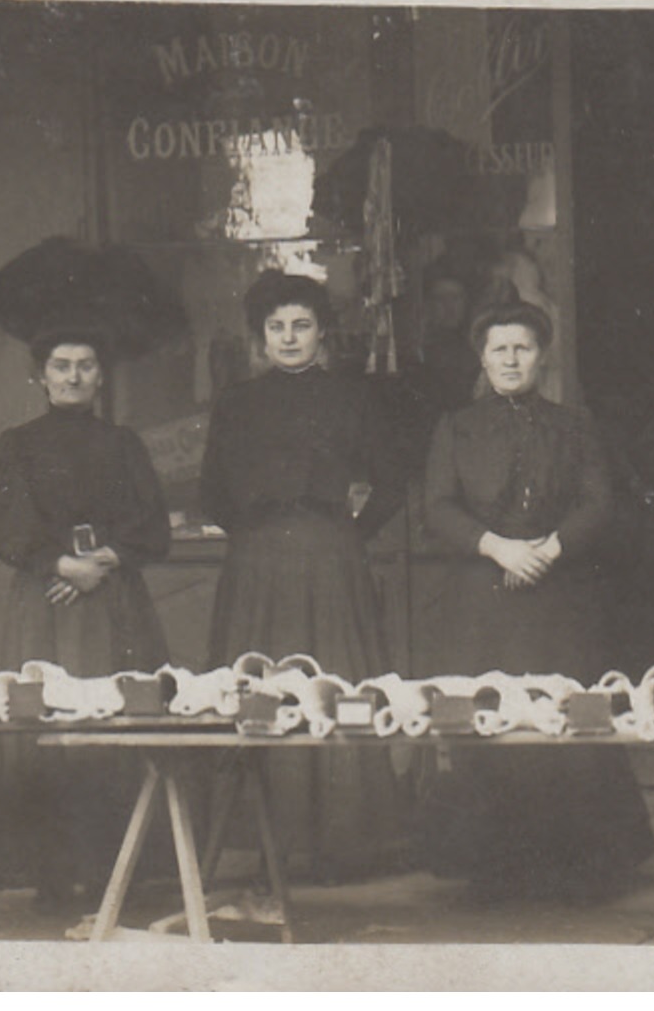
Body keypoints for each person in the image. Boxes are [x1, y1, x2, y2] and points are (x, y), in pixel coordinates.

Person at [418, 300, 654, 903]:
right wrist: (498, 548)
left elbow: (599, 501)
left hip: (559, 597)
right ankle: (492, 867)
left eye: (522, 347)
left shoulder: (573, 425)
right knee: (492, 720)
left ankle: (575, 865)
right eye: (498, 348)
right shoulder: (456, 427)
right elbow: (438, 507)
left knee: (564, 722)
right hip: (484, 597)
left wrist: (550, 548)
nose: (510, 359)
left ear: (542, 356)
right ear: (483, 357)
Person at [0, 324, 173, 909]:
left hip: (114, 601)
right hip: (45, 603)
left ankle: (114, 870)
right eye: (60, 365)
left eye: (86, 364)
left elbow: (151, 522)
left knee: (116, 721)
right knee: (43, 725)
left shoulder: (123, 444)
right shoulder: (17, 444)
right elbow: (2, 524)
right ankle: (50, 871)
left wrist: (106, 560)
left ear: (101, 375)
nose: (73, 376)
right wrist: (58, 565)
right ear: (40, 376)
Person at [198, 270, 406, 880]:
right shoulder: (236, 402)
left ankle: (345, 841)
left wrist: (349, 534)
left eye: (302, 327)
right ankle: (259, 838)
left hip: (329, 554)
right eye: (276, 328)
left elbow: (392, 481)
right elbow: (211, 489)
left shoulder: (352, 398)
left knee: (334, 680)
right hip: (257, 559)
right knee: (257, 684)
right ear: (261, 337)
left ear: (322, 333)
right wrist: (252, 532)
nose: (289, 339)